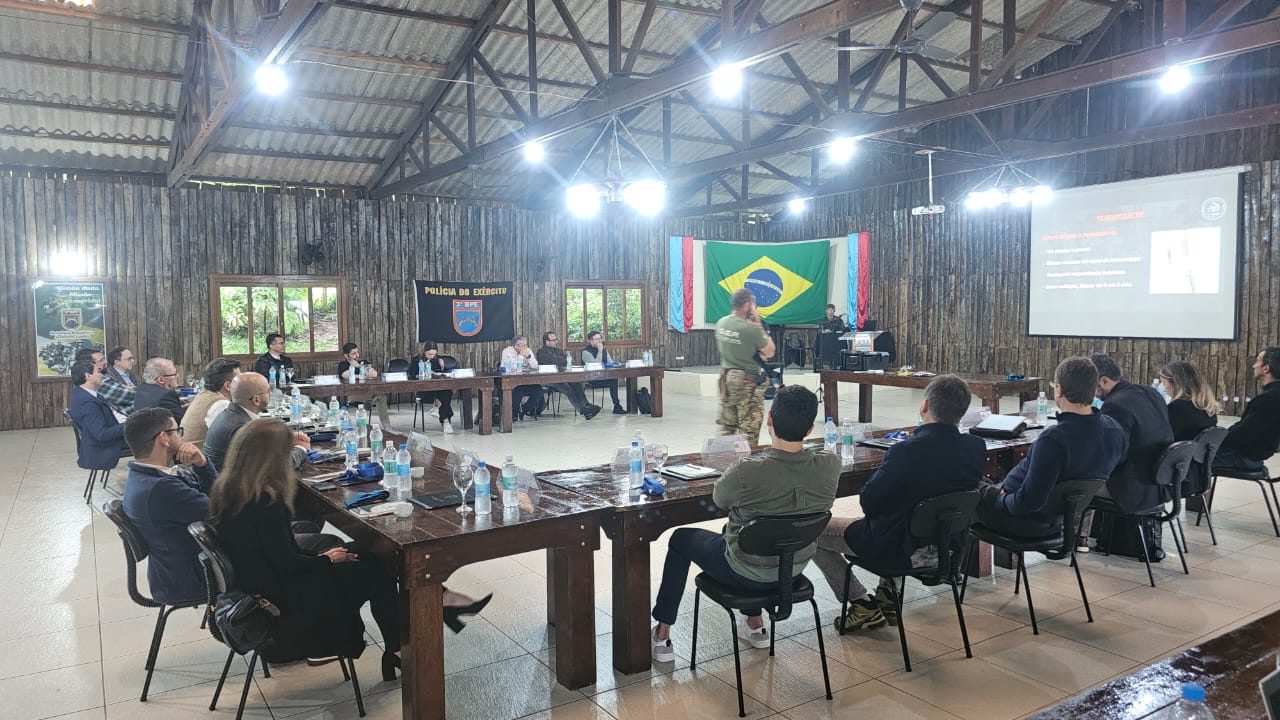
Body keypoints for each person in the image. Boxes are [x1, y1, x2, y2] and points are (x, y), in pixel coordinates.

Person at [650, 385, 839, 662]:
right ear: (811, 429)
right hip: (793, 569)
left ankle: (662, 634)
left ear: (769, 420)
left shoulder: (747, 471)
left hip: (744, 572)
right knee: (741, 532)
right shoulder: (830, 465)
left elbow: (720, 498)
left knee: (681, 539)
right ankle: (754, 624)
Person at [208, 418, 403, 674]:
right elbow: (287, 564)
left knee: (371, 551)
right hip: (283, 596)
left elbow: (278, 556)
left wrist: (324, 557)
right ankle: (394, 651)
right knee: (377, 572)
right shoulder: (265, 503)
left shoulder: (228, 488)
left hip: (258, 581)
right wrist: (326, 560)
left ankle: (396, 650)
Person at [813, 375, 986, 632]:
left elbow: (869, 502)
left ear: (924, 406)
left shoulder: (906, 451)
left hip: (896, 551)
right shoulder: (975, 447)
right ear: (962, 411)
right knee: (903, 516)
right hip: (946, 550)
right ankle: (888, 594)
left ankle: (861, 603)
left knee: (813, 531)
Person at [975, 357, 1127, 538]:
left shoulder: (1054, 440)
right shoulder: (1115, 431)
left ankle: (947, 562)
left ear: (1059, 390)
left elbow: (1026, 503)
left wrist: (1000, 498)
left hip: (1023, 520)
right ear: (1095, 390)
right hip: (1062, 521)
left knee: (966, 490)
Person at [120, 408, 217, 605]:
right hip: (193, 578)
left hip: (174, 572)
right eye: (177, 431)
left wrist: (202, 464)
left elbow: (211, 500)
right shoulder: (161, 488)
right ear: (164, 438)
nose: (182, 436)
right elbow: (222, 510)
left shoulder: (144, 476)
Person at [1091, 354, 1174, 516]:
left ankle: (1075, 538)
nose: (1091, 393)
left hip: (1131, 490)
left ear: (1104, 381)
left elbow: (1113, 456)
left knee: (1074, 485)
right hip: (1158, 484)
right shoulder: (1151, 392)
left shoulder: (1115, 404)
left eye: (1090, 386)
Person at [204, 372, 310, 471]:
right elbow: (277, 468)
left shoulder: (230, 414)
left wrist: (284, 440)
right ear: (256, 400)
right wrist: (300, 448)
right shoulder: (244, 427)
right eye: (268, 391)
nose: (270, 394)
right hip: (235, 489)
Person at [714, 288, 776, 441]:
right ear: (748, 304)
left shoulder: (721, 323)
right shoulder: (751, 328)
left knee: (727, 427)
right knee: (749, 431)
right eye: (753, 304)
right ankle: (746, 463)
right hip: (747, 384)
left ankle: (720, 459)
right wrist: (758, 322)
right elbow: (769, 351)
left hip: (727, 381)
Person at [1216, 347, 1280, 472]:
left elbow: (1243, 434)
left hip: (1245, 458)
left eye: (1257, 362)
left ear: (1266, 368)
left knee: (1189, 458)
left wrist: (1216, 441)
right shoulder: (1273, 396)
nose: (1253, 366)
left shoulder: (1267, 400)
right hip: (1256, 457)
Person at [68, 358, 127, 466]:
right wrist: (130, 424)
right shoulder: (87, 403)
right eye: (98, 372)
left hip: (112, 434)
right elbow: (102, 435)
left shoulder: (82, 393)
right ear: (88, 376)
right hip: (106, 447)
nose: (102, 375)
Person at [536, 331, 600, 419]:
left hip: (563, 376)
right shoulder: (541, 353)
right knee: (568, 389)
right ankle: (582, 409)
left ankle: (586, 405)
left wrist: (560, 360)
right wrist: (561, 360)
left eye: (556, 339)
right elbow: (554, 362)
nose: (556, 342)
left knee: (576, 384)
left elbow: (569, 360)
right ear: (547, 342)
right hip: (549, 379)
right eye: (553, 340)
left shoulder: (558, 350)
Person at [180, 358, 241, 446]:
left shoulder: (203, 395)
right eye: (240, 380)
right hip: (199, 456)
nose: (243, 383)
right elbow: (232, 439)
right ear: (228, 386)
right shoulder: (221, 405)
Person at [1159, 360, 1219, 442]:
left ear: (1176, 384)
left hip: (1179, 453)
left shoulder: (1176, 408)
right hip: (1196, 453)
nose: (1164, 388)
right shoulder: (1208, 408)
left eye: (1164, 383)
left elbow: (1161, 437)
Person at [337, 342, 392, 428]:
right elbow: (346, 375)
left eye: (357, 352)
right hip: (353, 394)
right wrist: (362, 375)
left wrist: (358, 366)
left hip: (367, 392)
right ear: (346, 356)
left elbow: (374, 374)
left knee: (381, 396)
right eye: (353, 354)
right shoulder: (343, 365)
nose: (357, 355)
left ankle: (387, 426)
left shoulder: (363, 362)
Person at [408, 342, 454, 434]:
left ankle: (443, 417)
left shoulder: (437, 359)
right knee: (443, 395)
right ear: (424, 351)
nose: (432, 356)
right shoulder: (416, 360)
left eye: (434, 354)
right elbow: (412, 374)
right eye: (430, 354)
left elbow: (443, 373)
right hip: (424, 390)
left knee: (447, 392)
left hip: (437, 388)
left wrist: (441, 365)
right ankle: (445, 421)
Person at [581, 331, 626, 414]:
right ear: (590, 341)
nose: (599, 341)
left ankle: (617, 406)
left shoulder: (603, 350)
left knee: (613, 379)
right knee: (612, 380)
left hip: (603, 376)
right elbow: (595, 365)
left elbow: (610, 362)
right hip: (591, 378)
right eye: (597, 339)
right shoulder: (586, 352)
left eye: (600, 339)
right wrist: (600, 351)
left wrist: (616, 364)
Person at [501, 335, 545, 421]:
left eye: (526, 345)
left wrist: (528, 357)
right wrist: (521, 356)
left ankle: (524, 410)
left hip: (525, 380)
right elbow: (513, 367)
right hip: (511, 380)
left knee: (538, 391)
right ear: (516, 346)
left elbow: (535, 366)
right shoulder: (507, 351)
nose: (526, 347)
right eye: (523, 345)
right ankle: (514, 414)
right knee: (518, 391)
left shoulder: (528, 351)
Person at [133, 357, 187, 423]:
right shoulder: (166, 395)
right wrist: (192, 409)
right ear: (161, 380)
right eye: (174, 374)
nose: (177, 376)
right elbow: (183, 421)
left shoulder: (141, 389)